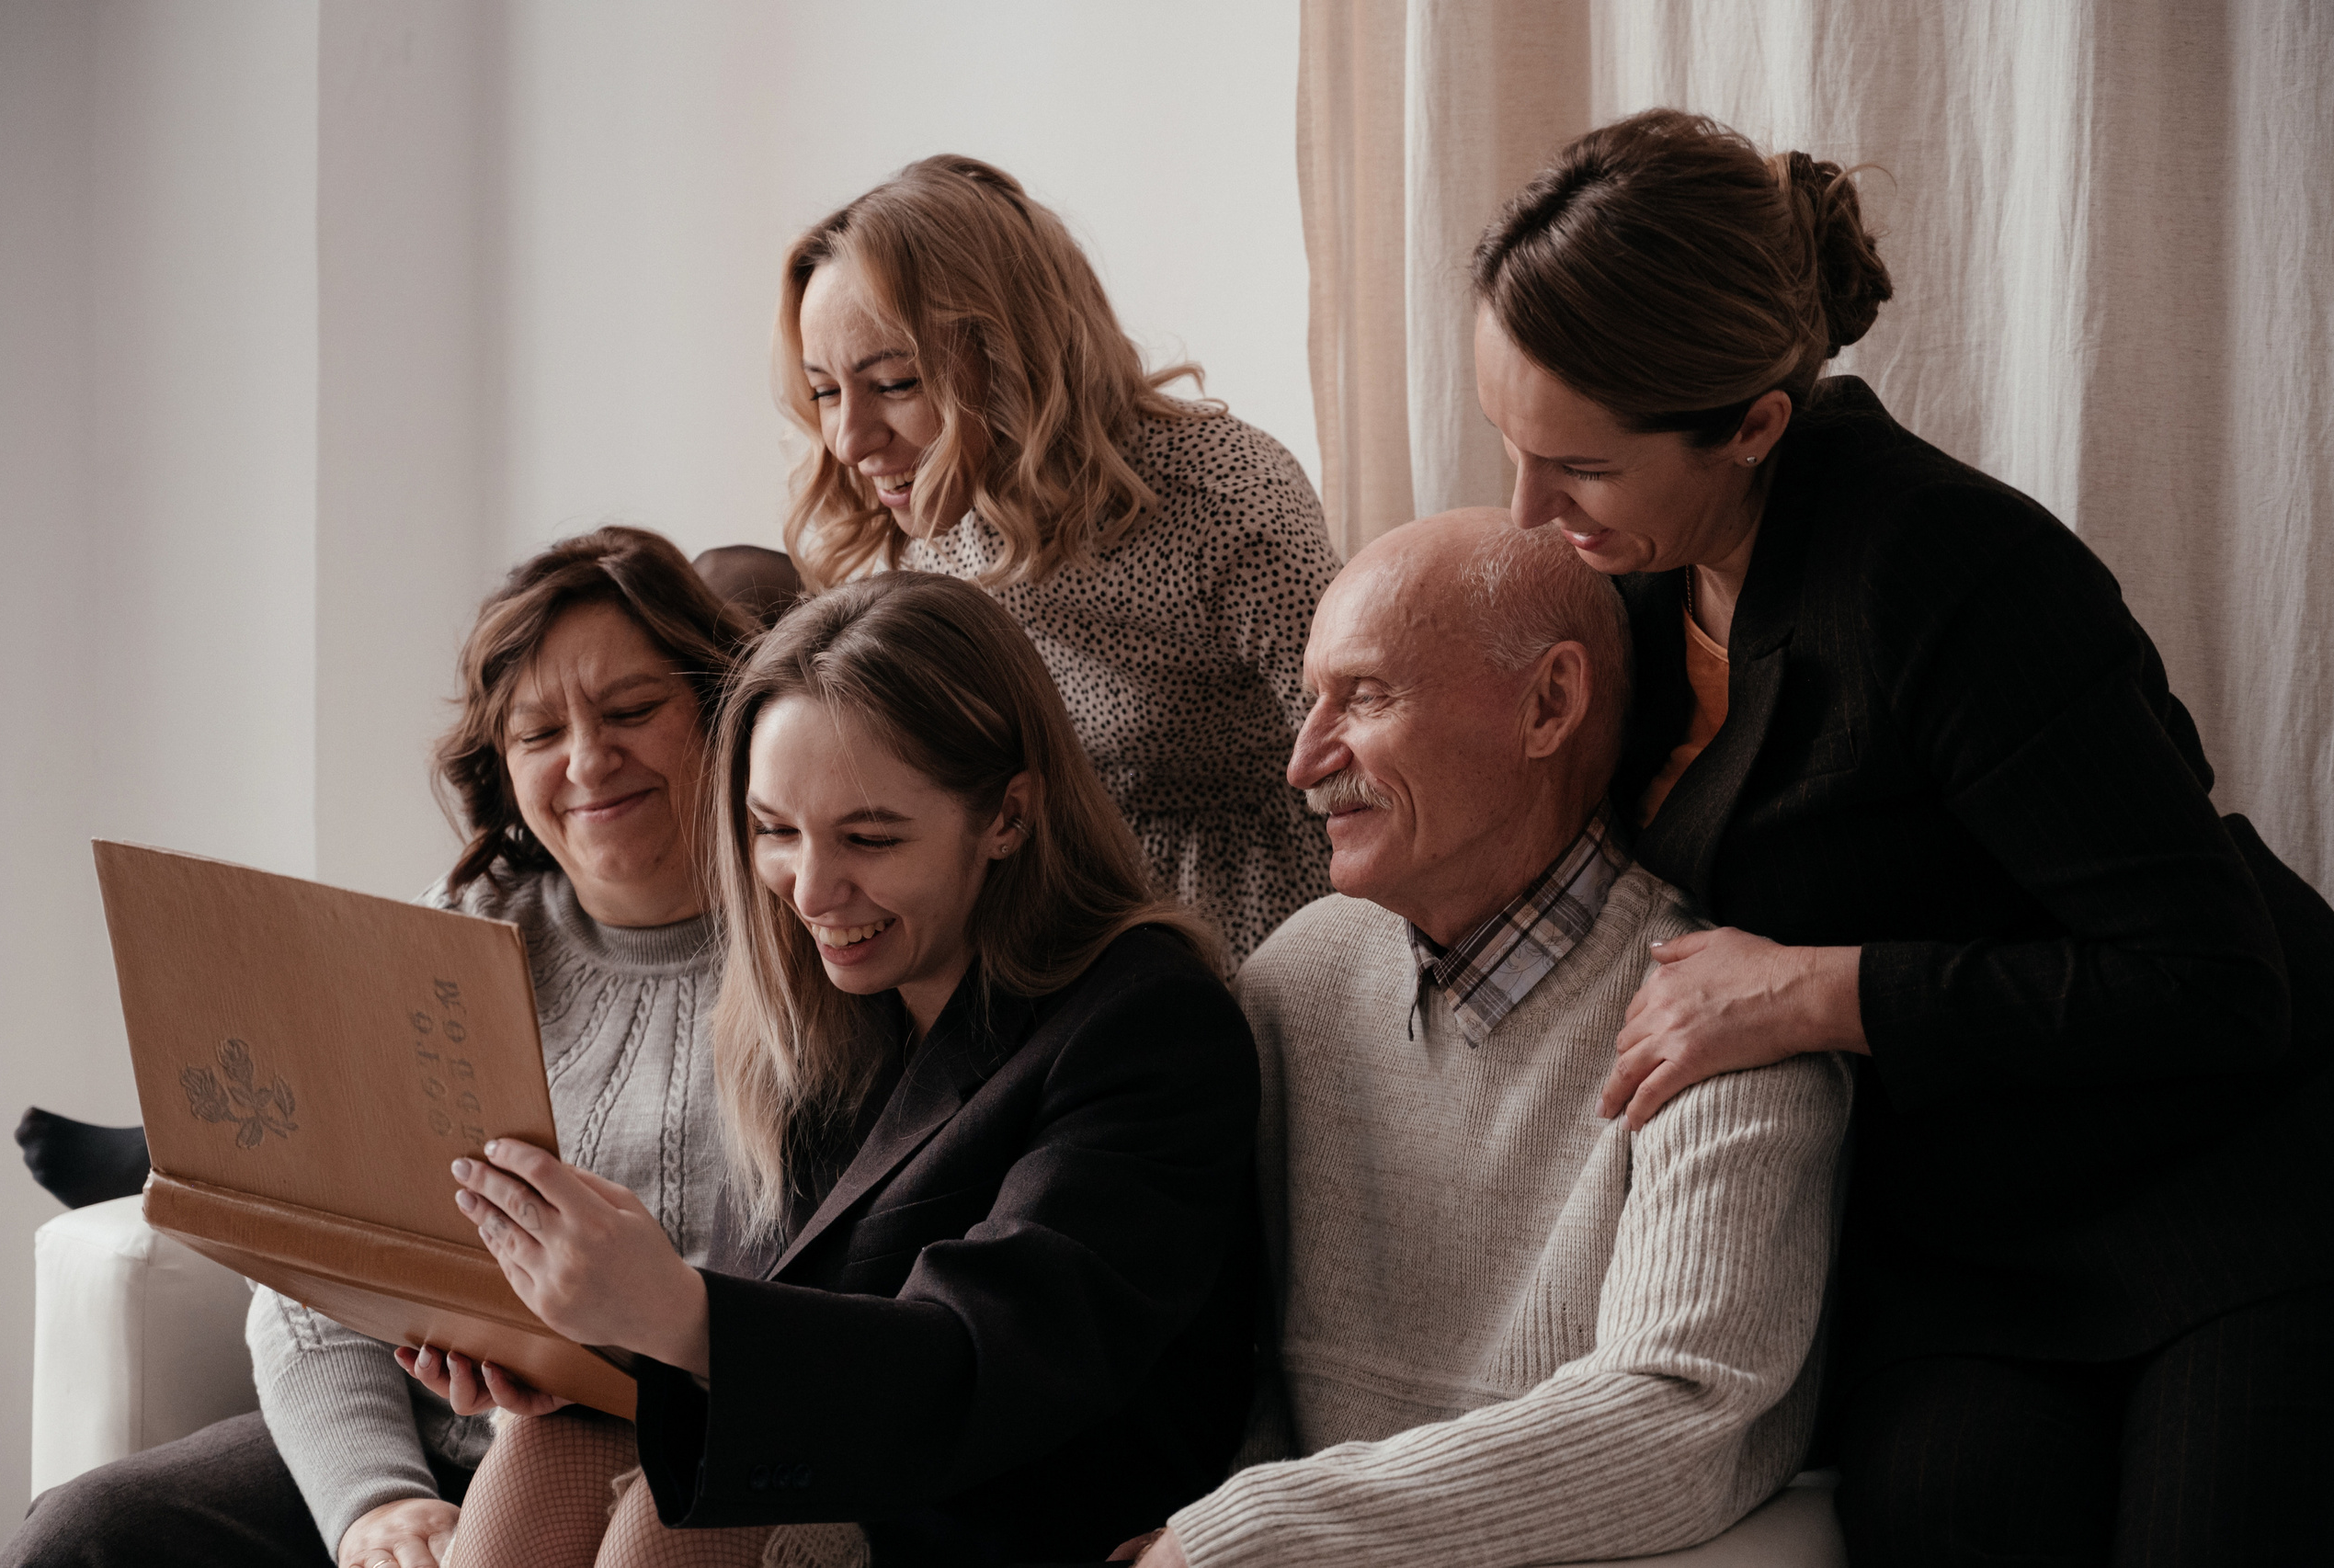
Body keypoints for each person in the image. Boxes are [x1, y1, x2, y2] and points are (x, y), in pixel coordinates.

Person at [1468, 108, 2334, 1566]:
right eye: (1511, 444)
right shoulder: (1624, 583)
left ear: (1755, 425)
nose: (1528, 511)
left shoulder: (1955, 575)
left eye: (1582, 469)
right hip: (1961, 1239)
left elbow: (2214, 982)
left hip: (2219, 1179)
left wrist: (1820, 988)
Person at [402, 572, 1261, 1568]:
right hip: (859, 1474)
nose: (810, 891)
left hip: (1023, 1514)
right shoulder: (828, 1020)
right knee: (553, 1440)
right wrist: (585, 1346)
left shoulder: (1147, 1024)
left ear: (1008, 816)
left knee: (680, 1522)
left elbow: (980, 1369)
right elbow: (775, 1317)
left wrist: (674, 1313)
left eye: (869, 836)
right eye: (774, 830)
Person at [1, 526, 757, 1568]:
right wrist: (375, 1499)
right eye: (539, 732)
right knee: (89, 1533)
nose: (588, 759)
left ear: (720, 711)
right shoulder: (457, 934)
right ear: (501, 762)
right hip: (419, 1441)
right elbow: (311, 1274)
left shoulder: (812, 951)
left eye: (632, 711)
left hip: (627, 1460)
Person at [1121, 512, 1851, 1568]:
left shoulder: (1723, 1016)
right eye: (1312, 696)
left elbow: (1673, 1425)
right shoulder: (1294, 977)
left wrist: (1246, 1537)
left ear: (1548, 703)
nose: (1302, 759)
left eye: (1363, 695)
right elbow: (1231, 1368)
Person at [778, 154, 1340, 968]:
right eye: (827, 391)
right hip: (1061, 913)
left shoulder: (1224, 501)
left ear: (1011, 355)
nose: (849, 440)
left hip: (1272, 921)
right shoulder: (932, 519)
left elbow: (1369, 759)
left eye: (895, 381)